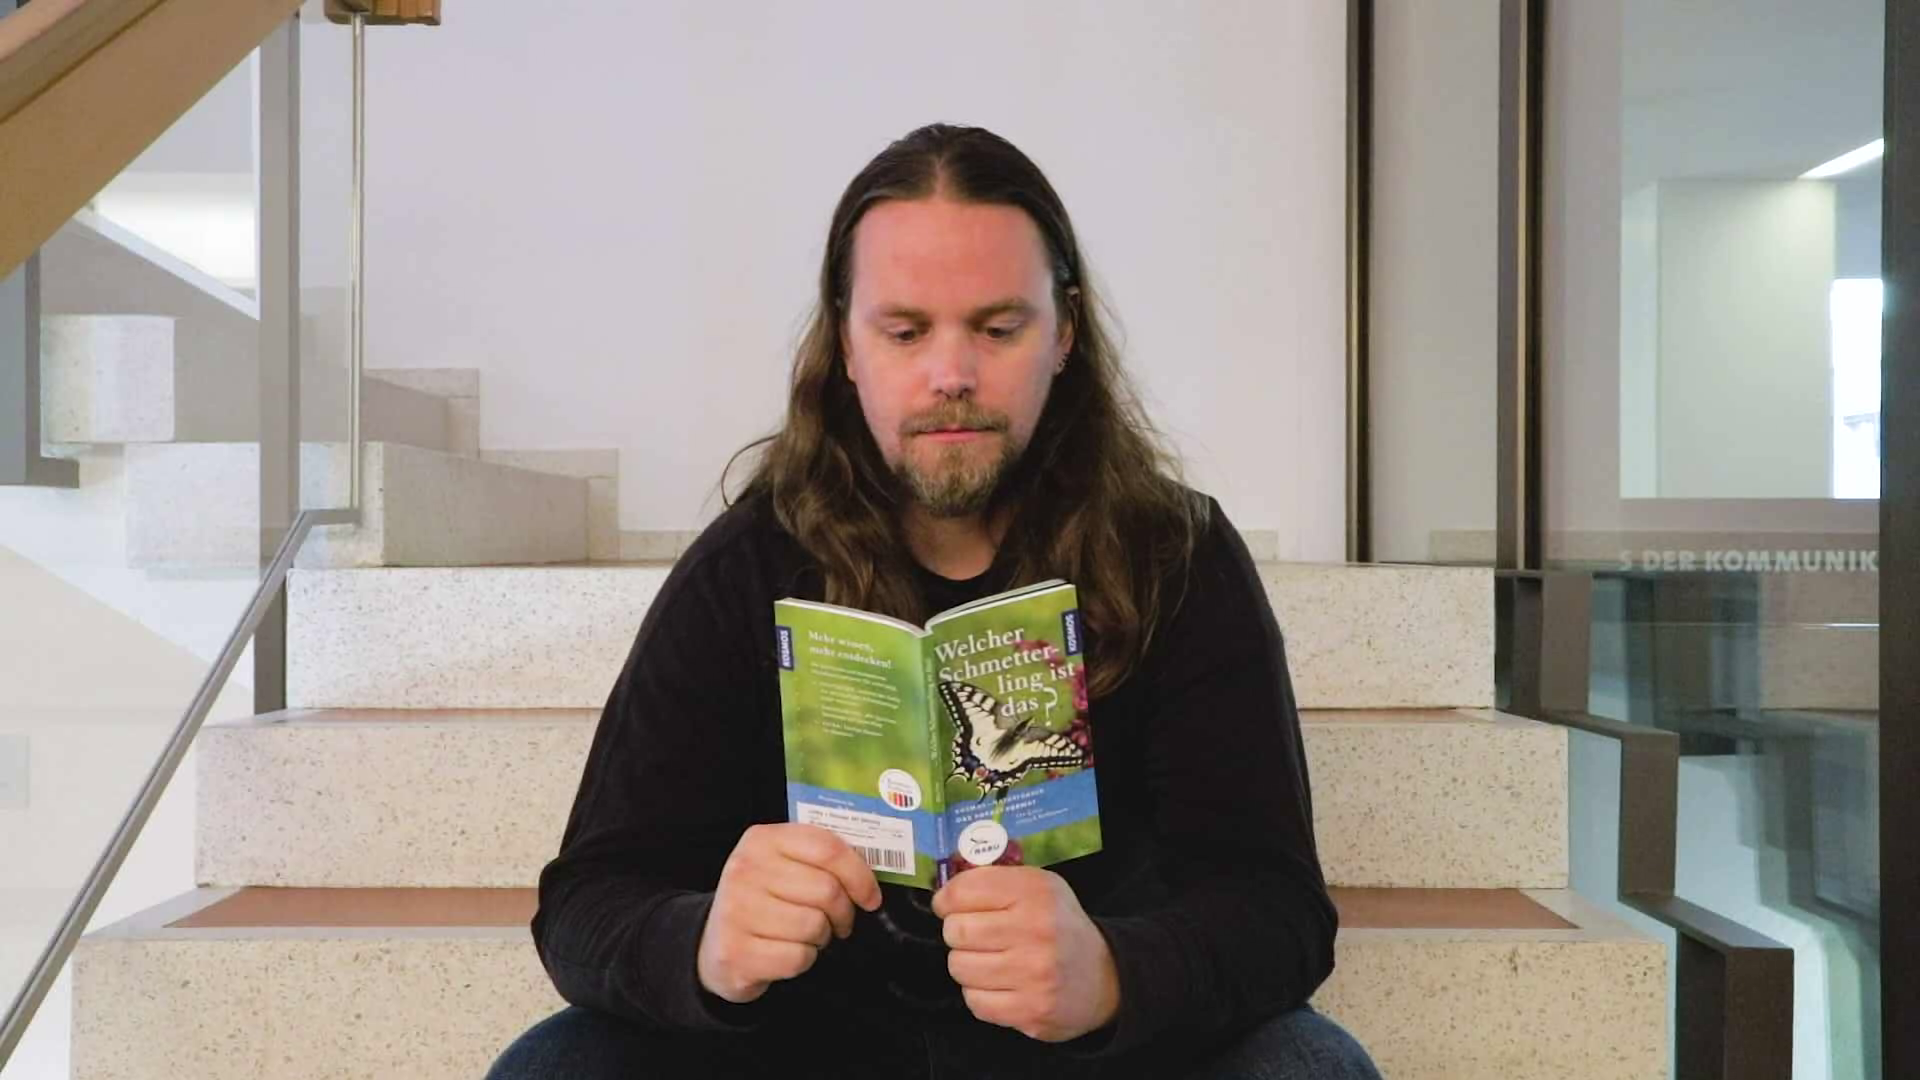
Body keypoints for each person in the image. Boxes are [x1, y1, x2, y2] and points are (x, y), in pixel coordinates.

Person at [486, 123, 1381, 1080]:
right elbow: (587, 902)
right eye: (905, 332)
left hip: (1092, 1059)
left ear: (1065, 333)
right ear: (846, 344)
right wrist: (703, 946)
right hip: (805, 1048)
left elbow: (1277, 908)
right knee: (557, 1066)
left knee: (1308, 1065)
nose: (952, 376)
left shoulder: (1176, 555)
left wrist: (1116, 974)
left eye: (998, 329)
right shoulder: (745, 565)